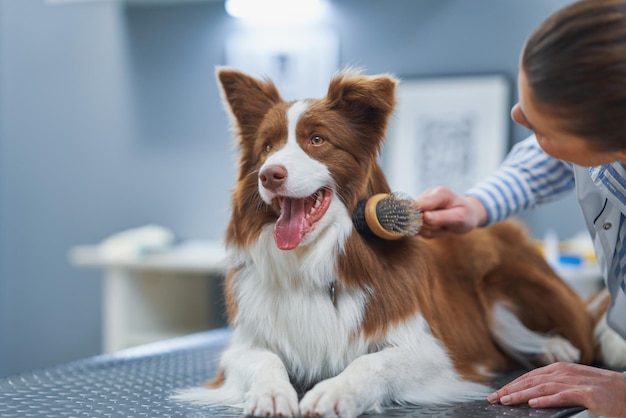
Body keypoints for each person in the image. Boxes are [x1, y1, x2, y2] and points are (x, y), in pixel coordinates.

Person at [413, 0, 626, 416]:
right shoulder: (598, 129)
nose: (516, 115)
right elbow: (548, 159)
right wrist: (474, 206)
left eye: (539, 126)